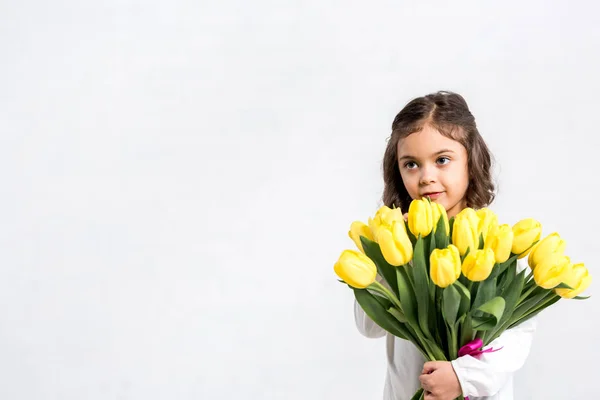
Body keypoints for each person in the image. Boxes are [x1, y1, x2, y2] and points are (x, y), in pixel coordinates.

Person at [354, 91, 537, 400]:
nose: (427, 177)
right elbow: (369, 327)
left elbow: (517, 338)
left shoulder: (499, 246)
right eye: (411, 164)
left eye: (442, 160)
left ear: (471, 161)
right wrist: (383, 255)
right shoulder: (400, 244)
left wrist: (462, 379)